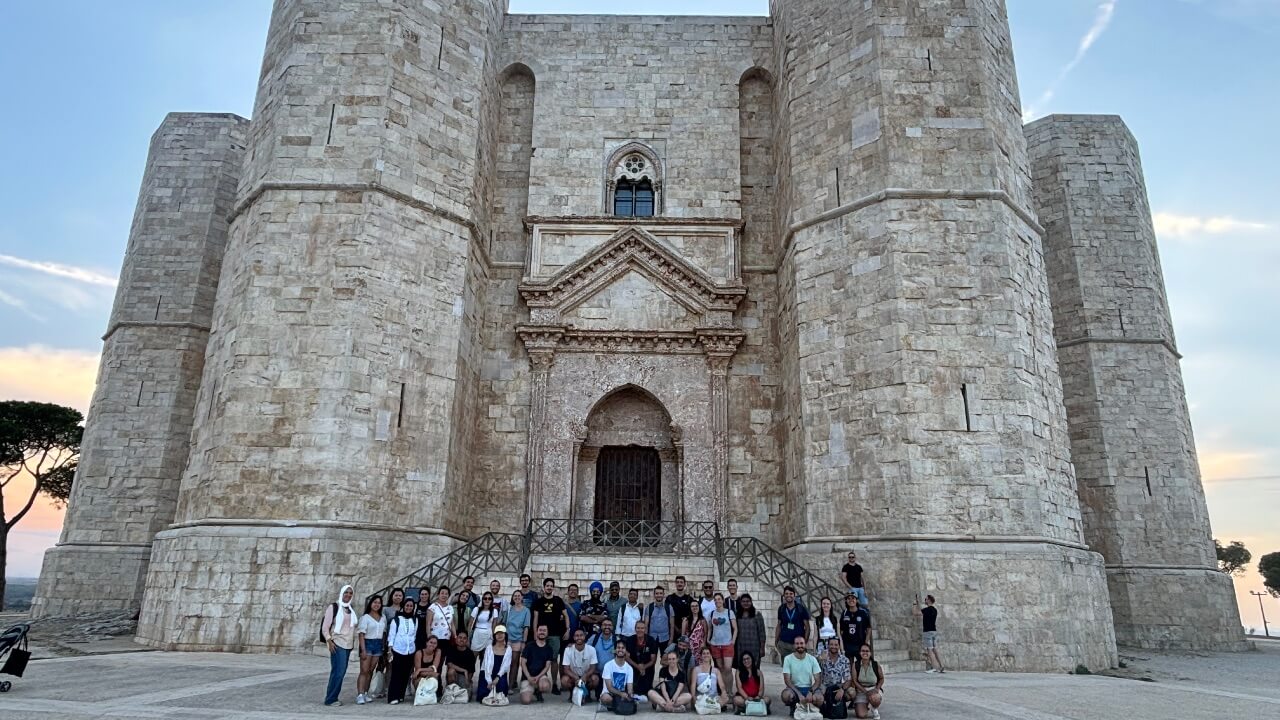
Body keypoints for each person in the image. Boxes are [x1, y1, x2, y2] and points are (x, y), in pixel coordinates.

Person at [321, 584, 358, 706]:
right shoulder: (334, 607)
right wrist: (329, 641)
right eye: (346, 592)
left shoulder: (350, 609)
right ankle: (331, 698)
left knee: (339, 671)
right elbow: (325, 627)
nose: (348, 595)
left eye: (350, 593)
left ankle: (332, 696)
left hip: (347, 644)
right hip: (337, 643)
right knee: (339, 672)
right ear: (342, 593)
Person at [532, 577, 571, 692]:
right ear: (544, 587)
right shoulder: (538, 602)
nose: (549, 587)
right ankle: (538, 683)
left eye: (551, 585)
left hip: (555, 634)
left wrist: (567, 630)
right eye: (547, 585)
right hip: (541, 635)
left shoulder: (558, 600)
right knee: (539, 659)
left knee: (554, 660)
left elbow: (566, 616)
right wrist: (535, 633)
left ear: (553, 587)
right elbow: (535, 618)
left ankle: (554, 684)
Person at [356, 595, 387, 705]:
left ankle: (365, 692)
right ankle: (360, 694)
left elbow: (383, 633)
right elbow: (361, 634)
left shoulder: (382, 617)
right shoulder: (365, 617)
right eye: (375, 602)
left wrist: (383, 646)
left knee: (370, 670)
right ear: (371, 604)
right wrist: (363, 649)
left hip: (378, 644)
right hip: (368, 643)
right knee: (364, 670)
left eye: (379, 603)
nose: (377, 604)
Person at [386, 598, 419, 705]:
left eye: (411, 606)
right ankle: (392, 696)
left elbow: (414, 635)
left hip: (410, 650)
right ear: (403, 606)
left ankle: (400, 695)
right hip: (398, 650)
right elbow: (391, 636)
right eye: (407, 605)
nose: (409, 608)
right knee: (396, 674)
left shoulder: (415, 620)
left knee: (405, 675)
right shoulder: (396, 620)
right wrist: (390, 651)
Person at [781, 636, 824, 712]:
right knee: (786, 696)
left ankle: (810, 707)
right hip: (794, 689)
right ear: (794, 645)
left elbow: (818, 680)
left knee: (820, 698)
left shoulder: (812, 659)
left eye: (801, 643)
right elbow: (787, 680)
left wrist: (810, 692)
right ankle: (794, 705)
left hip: (808, 688)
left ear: (805, 644)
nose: (799, 646)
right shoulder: (788, 659)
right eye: (797, 644)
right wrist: (799, 694)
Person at [706, 593, 737, 691]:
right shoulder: (712, 613)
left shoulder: (729, 612)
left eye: (719, 599)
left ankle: (729, 690)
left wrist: (733, 641)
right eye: (715, 600)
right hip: (715, 644)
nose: (717, 601)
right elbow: (710, 628)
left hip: (727, 644)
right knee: (720, 668)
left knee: (728, 668)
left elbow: (735, 628)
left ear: (723, 600)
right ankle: (723, 691)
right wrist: (708, 639)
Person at [562, 628, 601, 701]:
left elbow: (593, 667)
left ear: (585, 636)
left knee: (595, 679)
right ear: (573, 637)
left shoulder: (591, 649)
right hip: (574, 676)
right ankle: (572, 693)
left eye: (581, 635)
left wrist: (585, 676)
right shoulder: (568, 650)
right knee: (564, 680)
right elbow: (566, 669)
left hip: (586, 675)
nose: (579, 637)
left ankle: (587, 693)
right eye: (576, 636)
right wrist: (575, 677)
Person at [476, 625, 511, 704]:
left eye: (502, 633)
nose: (499, 635)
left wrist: (497, 678)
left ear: (505, 635)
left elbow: (505, 666)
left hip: (500, 675)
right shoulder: (489, 648)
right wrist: (489, 681)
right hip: (487, 674)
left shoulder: (508, 649)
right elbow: (486, 666)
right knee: (484, 695)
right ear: (494, 636)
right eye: (497, 633)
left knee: (501, 694)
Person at [520, 625, 555, 703]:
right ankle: (530, 689)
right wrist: (529, 677)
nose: (542, 632)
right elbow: (522, 663)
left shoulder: (549, 649)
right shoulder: (529, 645)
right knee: (526, 701)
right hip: (527, 677)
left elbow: (547, 667)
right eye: (540, 630)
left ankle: (537, 691)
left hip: (540, 676)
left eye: (544, 630)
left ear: (547, 633)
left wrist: (538, 677)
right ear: (537, 632)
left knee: (545, 686)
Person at [624, 618, 659, 696]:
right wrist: (638, 667)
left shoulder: (651, 640)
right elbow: (627, 658)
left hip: (647, 667)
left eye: (642, 628)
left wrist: (643, 667)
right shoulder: (630, 640)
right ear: (635, 629)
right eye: (638, 628)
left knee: (646, 692)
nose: (640, 630)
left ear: (645, 629)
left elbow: (653, 660)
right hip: (634, 666)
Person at [775, 585, 811, 661]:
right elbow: (779, 625)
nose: (789, 595)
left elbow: (807, 627)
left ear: (794, 595)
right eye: (786, 594)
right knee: (786, 670)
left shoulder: (801, 609)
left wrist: (805, 642)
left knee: (799, 669)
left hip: (797, 645)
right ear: (784, 596)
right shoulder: (781, 609)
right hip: (784, 644)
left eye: (791, 593)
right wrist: (776, 641)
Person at [690, 645, 730, 710]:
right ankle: (713, 707)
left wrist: (723, 692)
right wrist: (693, 698)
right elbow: (693, 685)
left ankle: (709, 707)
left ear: (710, 655)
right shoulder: (696, 670)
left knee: (726, 698)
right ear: (701, 656)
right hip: (701, 697)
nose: (706, 655)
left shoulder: (716, 671)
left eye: (708, 653)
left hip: (714, 697)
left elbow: (722, 685)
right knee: (700, 701)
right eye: (704, 653)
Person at [913, 594, 945, 673]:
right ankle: (941, 666)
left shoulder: (927, 610)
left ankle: (934, 668)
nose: (925, 600)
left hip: (927, 632)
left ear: (929, 600)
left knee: (929, 650)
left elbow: (915, 613)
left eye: (926, 599)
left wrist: (914, 604)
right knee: (935, 649)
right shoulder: (934, 610)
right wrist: (918, 604)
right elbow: (922, 611)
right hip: (934, 631)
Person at [851, 643, 884, 719]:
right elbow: (855, 681)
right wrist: (865, 692)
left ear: (870, 653)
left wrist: (877, 689)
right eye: (863, 651)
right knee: (861, 715)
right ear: (860, 652)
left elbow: (881, 678)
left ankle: (874, 707)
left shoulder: (876, 664)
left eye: (867, 651)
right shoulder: (855, 665)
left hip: (873, 689)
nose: (865, 653)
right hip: (861, 691)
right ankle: (866, 704)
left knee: (875, 699)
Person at [732, 650, 770, 715]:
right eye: (744, 660)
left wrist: (758, 696)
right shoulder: (739, 671)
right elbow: (739, 688)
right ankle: (756, 708)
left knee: (767, 699)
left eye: (748, 658)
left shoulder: (758, 672)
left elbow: (761, 689)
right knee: (736, 700)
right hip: (744, 698)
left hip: (756, 698)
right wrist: (747, 697)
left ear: (752, 659)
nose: (746, 661)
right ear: (742, 661)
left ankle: (746, 709)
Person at [819, 636, 852, 708]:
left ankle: (840, 703)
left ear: (839, 646)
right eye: (831, 644)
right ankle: (824, 704)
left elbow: (848, 679)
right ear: (828, 645)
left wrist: (842, 689)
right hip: (825, 686)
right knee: (818, 697)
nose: (833, 646)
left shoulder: (844, 660)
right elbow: (817, 676)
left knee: (852, 693)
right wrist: (820, 661)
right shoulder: (823, 657)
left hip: (838, 685)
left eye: (836, 645)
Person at [734, 593, 766, 668]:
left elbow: (762, 632)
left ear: (751, 602)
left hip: (754, 647)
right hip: (741, 646)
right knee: (742, 668)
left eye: (747, 601)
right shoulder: (737, 615)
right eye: (743, 601)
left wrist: (762, 648)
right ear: (740, 603)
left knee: (755, 668)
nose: (746, 603)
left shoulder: (757, 614)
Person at [600, 643, 635, 712]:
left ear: (626, 651)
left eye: (623, 648)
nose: (620, 650)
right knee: (606, 699)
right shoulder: (608, 665)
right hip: (609, 693)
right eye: (618, 648)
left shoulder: (629, 668)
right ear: (615, 650)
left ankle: (615, 706)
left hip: (621, 694)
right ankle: (614, 705)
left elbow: (629, 687)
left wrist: (630, 695)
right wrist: (621, 694)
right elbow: (609, 688)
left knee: (635, 698)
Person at [839, 592, 872, 662]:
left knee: (860, 665)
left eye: (853, 598)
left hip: (860, 644)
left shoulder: (863, 613)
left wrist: (866, 642)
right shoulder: (844, 613)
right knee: (849, 665)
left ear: (856, 600)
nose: (851, 600)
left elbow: (868, 628)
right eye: (848, 598)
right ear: (846, 600)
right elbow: (841, 630)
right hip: (847, 644)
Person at [444, 630, 475, 700]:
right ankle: (451, 690)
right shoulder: (451, 650)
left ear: (467, 640)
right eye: (460, 637)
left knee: (466, 697)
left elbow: (471, 671)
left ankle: (461, 691)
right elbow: (449, 664)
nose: (462, 640)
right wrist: (464, 670)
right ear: (456, 639)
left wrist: (468, 681)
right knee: (451, 671)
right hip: (453, 676)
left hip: (464, 678)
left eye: (464, 638)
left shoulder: (470, 653)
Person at [412, 635, 442, 699]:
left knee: (435, 675)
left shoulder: (438, 651)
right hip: (420, 677)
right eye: (431, 642)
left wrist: (420, 669)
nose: (432, 645)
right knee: (433, 675)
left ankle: (431, 695)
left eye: (435, 643)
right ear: (426, 643)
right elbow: (418, 674)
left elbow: (434, 668)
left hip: (427, 675)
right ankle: (421, 695)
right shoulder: (419, 653)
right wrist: (430, 672)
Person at [470, 591, 499, 657]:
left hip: (488, 634)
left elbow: (494, 626)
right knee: (473, 656)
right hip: (477, 634)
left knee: (485, 658)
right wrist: (469, 636)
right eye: (485, 598)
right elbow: (470, 624)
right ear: (482, 599)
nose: (487, 600)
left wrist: (493, 637)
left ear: (492, 600)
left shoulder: (494, 611)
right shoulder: (476, 609)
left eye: (489, 598)